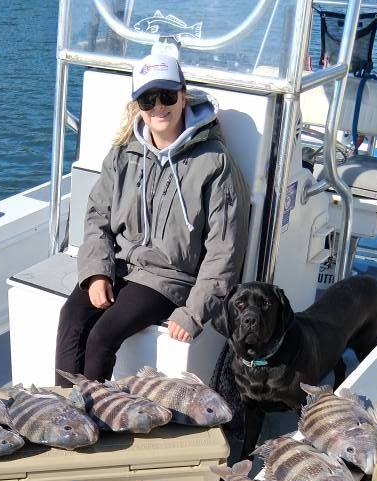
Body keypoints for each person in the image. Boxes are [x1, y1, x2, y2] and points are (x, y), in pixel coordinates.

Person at [55, 53, 249, 385]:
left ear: (183, 96)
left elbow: (224, 249)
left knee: (102, 336)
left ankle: (90, 421)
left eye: (167, 96)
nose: (158, 106)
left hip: (168, 278)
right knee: (71, 318)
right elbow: (97, 216)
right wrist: (96, 272)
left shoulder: (214, 162)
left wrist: (194, 312)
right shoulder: (124, 153)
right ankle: (61, 417)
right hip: (120, 264)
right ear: (138, 105)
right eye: (148, 99)